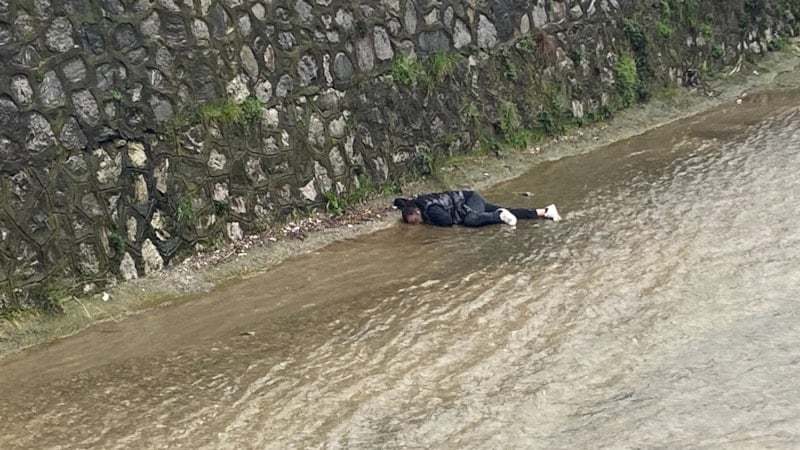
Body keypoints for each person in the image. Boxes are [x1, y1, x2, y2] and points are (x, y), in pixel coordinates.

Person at [393, 190, 561, 227]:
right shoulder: (418, 202)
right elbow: (400, 201)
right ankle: (545, 211)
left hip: (468, 202)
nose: (416, 224)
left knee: (470, 220)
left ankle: (498, 216)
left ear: (417, 212)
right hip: (470, 198)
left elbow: (448, 221)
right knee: (512, 210)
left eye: (415, 221)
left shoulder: (431, 211)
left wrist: (427, 224)